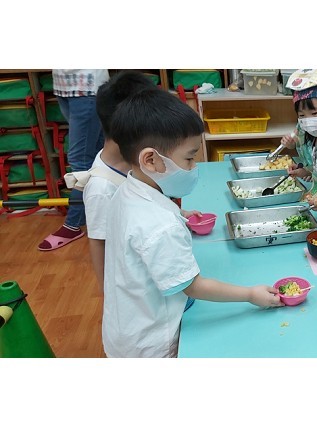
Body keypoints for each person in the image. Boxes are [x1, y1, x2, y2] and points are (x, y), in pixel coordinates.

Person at [103, 88, 283, 358]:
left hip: (125, 327)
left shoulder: (126, 192)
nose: (193, 167)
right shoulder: (160, 226)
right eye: (189, 158)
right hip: (153, 342)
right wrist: (250, 294)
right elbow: (193, 286)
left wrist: (179, 214)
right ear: (151, 160)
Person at [64, 71, 201, 295]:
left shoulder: (134, 166)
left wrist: (179, 213)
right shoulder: (102, 188)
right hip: (139, 288)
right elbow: (100, 243)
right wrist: (107, 293)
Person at [38, 69, 110, 251]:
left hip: (86, 87)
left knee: (80, 161)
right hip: (64, 86)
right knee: (98, 155)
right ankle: (109, 215)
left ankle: (73, 225)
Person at [279, 69, 317, 197]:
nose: (308, 120)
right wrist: (305, 171)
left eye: (314, 113)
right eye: (302, 115)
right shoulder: (309, 133)